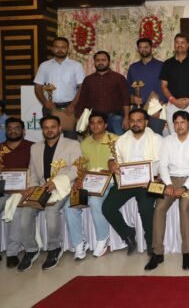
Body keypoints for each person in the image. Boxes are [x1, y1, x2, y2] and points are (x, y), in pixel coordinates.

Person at [18, 115, 81, 272]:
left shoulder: (72, 144)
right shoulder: (35, 148)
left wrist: (56, 183)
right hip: (41, 189)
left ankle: (54, 248)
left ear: (59, 128)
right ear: (42, 130)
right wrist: (32, 186)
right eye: (46, 127)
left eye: (53, 127)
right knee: (24, 215)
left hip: (62, 187)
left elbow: (76, 169)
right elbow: (33, 171)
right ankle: (31, 250)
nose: (49, 130)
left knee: (51, 212)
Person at [145, 111, 189, 271]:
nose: (179, 126)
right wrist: (169, 184)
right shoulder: (167, 141)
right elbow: (163, 165)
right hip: (170, 179)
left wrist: (184, 187)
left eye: (182, 122)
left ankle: (187, 252)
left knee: (184, 207)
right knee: (159, 208)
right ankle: (157, 253)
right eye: (176, 123)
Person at [102, 108, 162, 256]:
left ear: (146, 122)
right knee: (107, 207)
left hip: (148, 182)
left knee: (146, 208)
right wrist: (111, 163)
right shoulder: (121, 139)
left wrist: (157, 178)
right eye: (132, 121)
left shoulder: (157, 139)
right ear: (128, 122)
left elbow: (164, 163)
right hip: (127, 181)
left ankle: (151, 243)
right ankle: (127, 233)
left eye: (139, 121)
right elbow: (112, 157)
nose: (135, 124)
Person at [64, 111, 115, 260]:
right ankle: (79, 243)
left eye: (99, 122)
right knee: (69, 205)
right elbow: (82, 167)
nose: (95, 126)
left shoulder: (116, 139)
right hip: (90, 183)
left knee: (94, 201)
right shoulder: (84, 143)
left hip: (110, 182)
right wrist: (78, 181)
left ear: (105, 125)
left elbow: (121, 161)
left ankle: (103, 238)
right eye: (92, 123)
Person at [33, 37, 85, 139]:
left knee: (70, 139)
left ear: (68, 49)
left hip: (69, 107)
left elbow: (82, 87)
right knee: (50, 138)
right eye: (57, 47)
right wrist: (45, 102)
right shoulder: (44, 66)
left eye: (63, 47)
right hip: (50, 107)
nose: (60, 49)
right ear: (52, 49)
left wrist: (73, 105)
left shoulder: (76, 66)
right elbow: (38, 86)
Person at [0, 117, 34, 268]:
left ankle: (12, 253)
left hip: (23, 191)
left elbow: (38, 170)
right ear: (5, 130)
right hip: (2, 190)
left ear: (24, 131)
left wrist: (29, 186)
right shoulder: (0, 148)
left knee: (16, 211)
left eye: (17, 128)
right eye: (10, 128)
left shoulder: (32, 147)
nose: (13, 131)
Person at [76, 50, 130, 135]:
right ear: (94, 62)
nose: (100, 62)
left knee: (119, 140)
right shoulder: (88, 80)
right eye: (97, 60)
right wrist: (79, 119)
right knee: (95, 142)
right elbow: (82, 101)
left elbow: (126, 99)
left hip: (114, 117)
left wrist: (127, 117)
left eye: (103, 60)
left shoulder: (119, 78)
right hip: (95, 119)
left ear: (109, 62)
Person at [160, 33, 189, 135]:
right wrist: (174, 101)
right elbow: (163, 86)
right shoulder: (167, 64)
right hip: (173, 104)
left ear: (187, 45)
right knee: (174, 134)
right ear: (174, 44)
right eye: (177, 42)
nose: (180, 45)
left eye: (182, 42)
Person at [126, 37, 166, 135]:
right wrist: (133, 99)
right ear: (137, 49)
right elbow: (128, 90)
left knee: (156, 137)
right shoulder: (133, 68)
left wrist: (158, 107)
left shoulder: (162, 66)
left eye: (146, 47)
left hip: (156, 109)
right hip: (137, 110)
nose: (143, 49)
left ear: (152, 48)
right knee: (137, 137)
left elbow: (167, 88)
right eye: (141, 47)